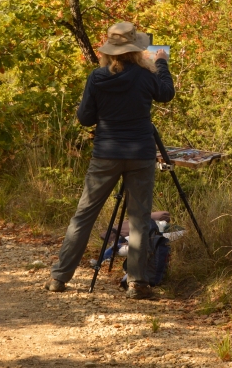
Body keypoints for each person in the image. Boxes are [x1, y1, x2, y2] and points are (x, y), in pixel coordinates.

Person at [44, 21, 174, 299]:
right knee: (139, 218)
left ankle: (60, 277)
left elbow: (84, 118)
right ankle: (137, 283)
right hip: (139, 153)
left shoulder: (97, 76)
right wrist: (161, 63)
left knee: (84, 216)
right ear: (137, 49)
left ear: (110, 51)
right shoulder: (145, 75)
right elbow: (166, 94)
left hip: (106, 154)